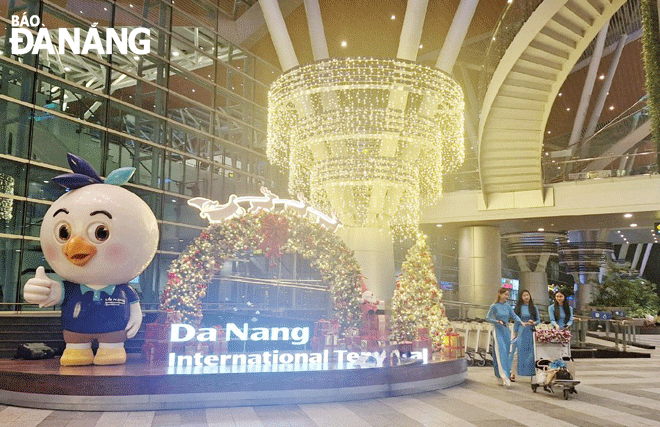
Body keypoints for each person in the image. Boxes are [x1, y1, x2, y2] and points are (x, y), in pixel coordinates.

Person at [486, 287, 522, 387]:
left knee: (506, 353)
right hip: (498, 331)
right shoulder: (494, 306)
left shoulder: (508, 306)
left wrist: (521, 321)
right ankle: (504, 375)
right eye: (505, 294)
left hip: (506, 331)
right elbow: (488, 318)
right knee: (500, 352)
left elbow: (514, 315)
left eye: (508, 295)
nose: (507, 296)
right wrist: (497, 321)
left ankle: (501, 374)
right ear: (500, 294)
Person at [511, 290, 540, 381]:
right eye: (524, 295)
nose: (526, 297)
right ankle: (513, 373)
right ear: (521, 297)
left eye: (528, 295)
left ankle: (532, 374)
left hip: (530, 332)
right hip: (521, 331)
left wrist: (533, 322)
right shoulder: (518, 308)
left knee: (531, 354)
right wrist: (515, 333)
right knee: (517, 352)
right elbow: (516, 321)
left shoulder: (534, 308)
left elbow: (538, 321)